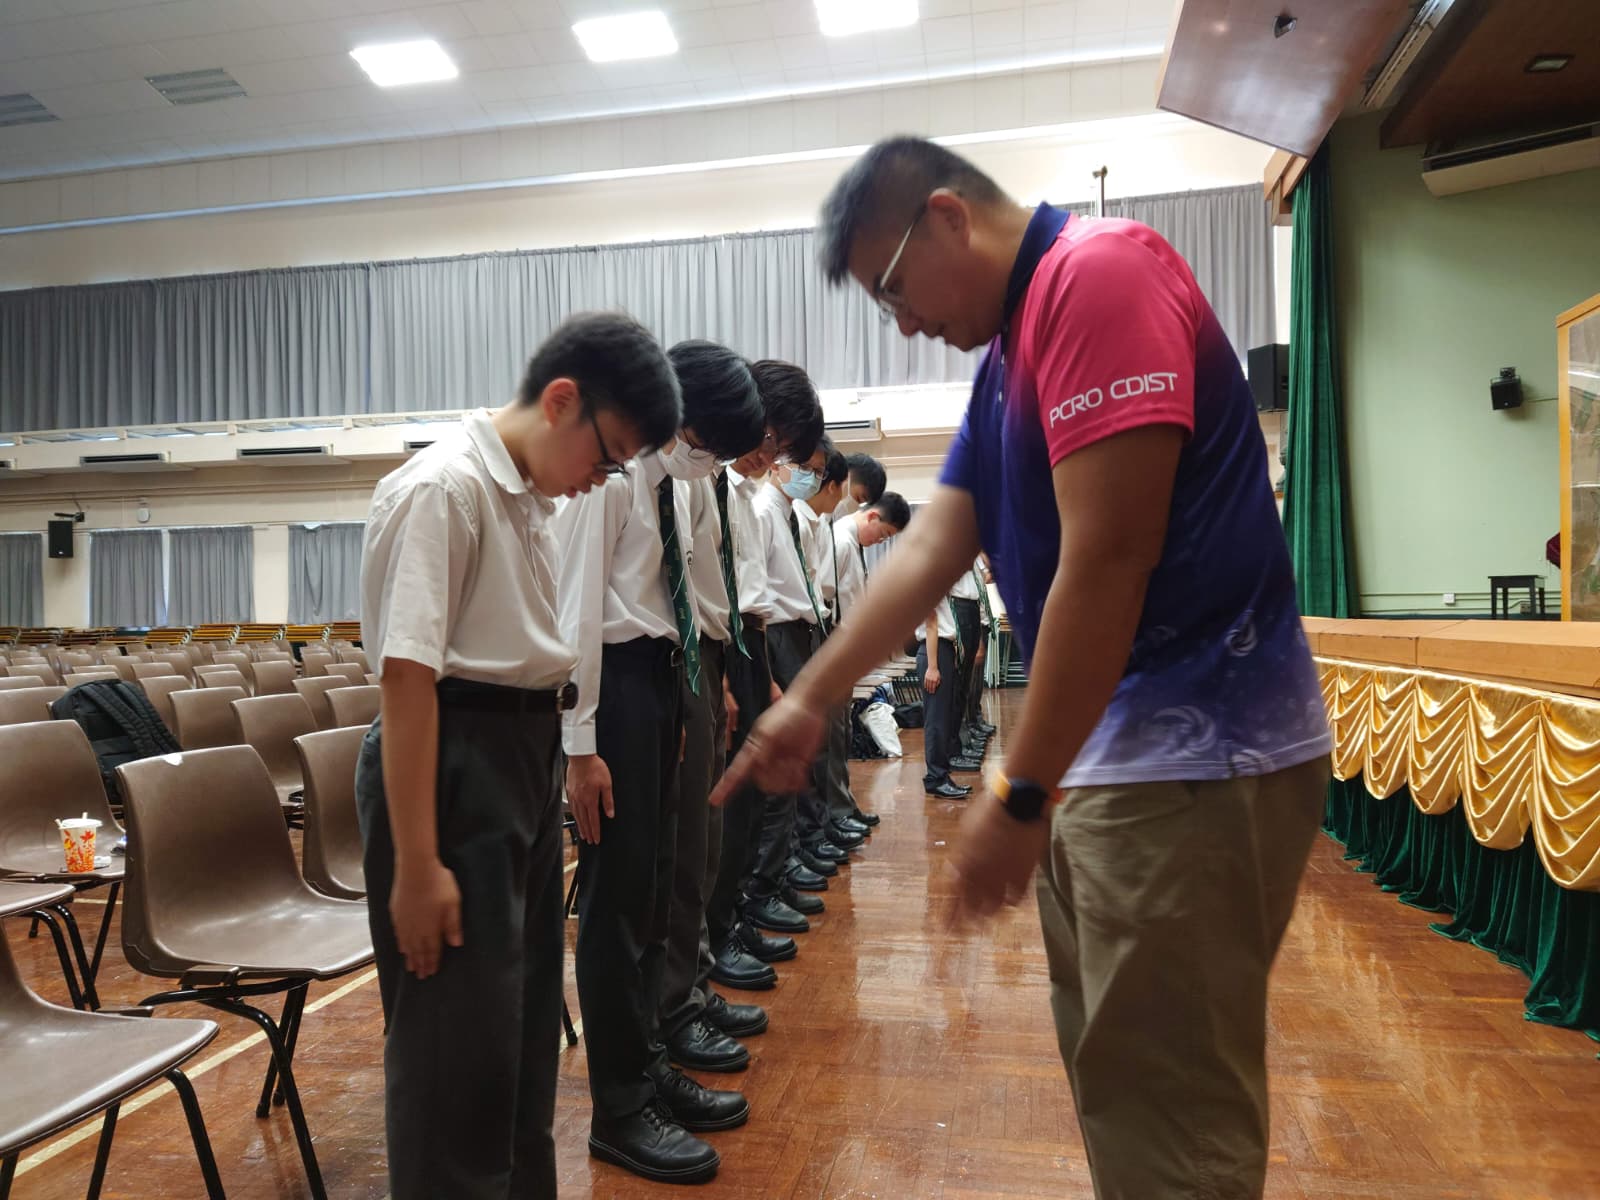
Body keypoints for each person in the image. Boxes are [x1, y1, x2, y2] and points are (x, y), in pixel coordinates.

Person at [715, 136, 1332, 1200]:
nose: (902, 320)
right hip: (1120, 765)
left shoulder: (1099, 277)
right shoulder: (1009, 358)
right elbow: (932, 546)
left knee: (1170, 1110)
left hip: (1193, 759)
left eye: (894, 286)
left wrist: (1023, 783)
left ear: (949, 217)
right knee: (1123, 1081)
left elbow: (1109, 557)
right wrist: (810, 698)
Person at [356, 312, 680, 1200]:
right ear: (562, 400)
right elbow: (409, 682)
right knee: (454, 1049)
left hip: (518, 762)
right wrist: (417, 866)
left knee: (523, 1031)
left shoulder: (532, 498)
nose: (599, 480)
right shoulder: (443, 490)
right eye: (605, 455)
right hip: (452, 764)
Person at [554, 340, 761, 1186]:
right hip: (613, 689)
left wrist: (685, 699)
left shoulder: (674, 482)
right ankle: (618, 1106)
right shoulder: (610, 477)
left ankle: (645, 1065)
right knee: (615, 906)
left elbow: (680, 601)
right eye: (708, 443)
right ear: (681, 420)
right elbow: (576, 610)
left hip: (659, 679)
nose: (709, 462)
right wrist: (581, 747)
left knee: (652, 892)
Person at [655, 342, 773, 1079]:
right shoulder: (636, 473)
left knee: (706, 837)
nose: (766, 461)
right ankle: (671, 1012)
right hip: (659, 670)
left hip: (703, 657)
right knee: (668, 863)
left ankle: (691, 988)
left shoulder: (699, 480)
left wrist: (715, 674)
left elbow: (704, 588)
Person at [704, 363, 824, 986]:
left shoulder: (744, 497)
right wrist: (723, 678)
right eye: (774, 441)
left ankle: (733, 920)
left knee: (749, 805)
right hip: (725, 649)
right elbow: (707, 595)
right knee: (724, 812)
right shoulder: (709, 485)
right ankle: (716, 936)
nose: (773, 456)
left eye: (781, 448)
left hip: (751, 644)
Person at [916, 590, 973, 799]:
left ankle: (942, 774)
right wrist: (932, 666)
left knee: (944, 718)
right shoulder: (928, 575)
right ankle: (935, 778)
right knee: (936, 721)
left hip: (943, 650)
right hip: (935, 652)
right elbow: (931, 621)